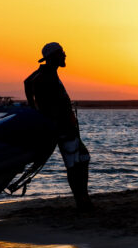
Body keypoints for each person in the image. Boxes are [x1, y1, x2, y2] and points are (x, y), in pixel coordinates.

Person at [24, 42, 93, 212]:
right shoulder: (45, 76)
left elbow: (26, 82)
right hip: (62, 129)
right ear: (53, 56)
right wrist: (38, 111)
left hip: (65, 127)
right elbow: (29, 84)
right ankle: (81, 201)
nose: (64, 56)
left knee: (82, 159)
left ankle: (82, 199)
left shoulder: (46, 72)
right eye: (62, 53)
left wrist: (34, 108)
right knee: (74, 164)